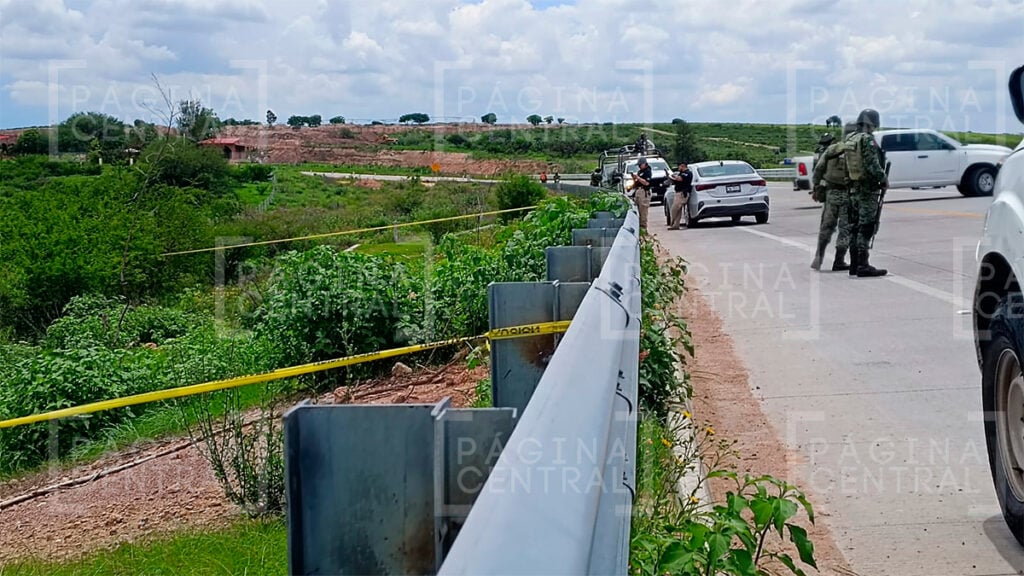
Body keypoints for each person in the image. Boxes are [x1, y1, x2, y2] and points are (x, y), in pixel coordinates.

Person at [844, 108, 888, 277]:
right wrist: (883, 178)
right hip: (867, 189)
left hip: (853, 189)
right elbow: (871, 164)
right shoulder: (867, 139)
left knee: (854, 227)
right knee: (866, 227)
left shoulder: (851, 138)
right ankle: (863, 265)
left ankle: (854, 263)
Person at [809, 123, 856, 271]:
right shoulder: (856, 150)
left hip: (831, 194)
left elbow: (817, 170)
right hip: (848, 194)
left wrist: (816, 187)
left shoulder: (831, 149)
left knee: (826, 227)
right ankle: (839, 260)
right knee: (845, 229)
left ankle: (819, 255)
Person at [668, 161, 693, 230]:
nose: (678, 168)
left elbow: (680, 179)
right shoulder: (681, 173)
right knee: (678, 210)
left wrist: (673, 176)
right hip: (678, 193)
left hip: (682, 193)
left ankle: (672, 222)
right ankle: (675, 225)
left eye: (679, 166)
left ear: (683, 166)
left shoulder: (687, 173)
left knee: (674, 209)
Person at [633, 157, 653, 230]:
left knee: (643, 211)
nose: (639, 166)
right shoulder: (640, 171)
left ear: (644, 164)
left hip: (644, 192)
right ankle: (639, 228)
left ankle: (643, 228)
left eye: (640, 165)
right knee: (637, 210)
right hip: (638, 191)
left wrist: (638, 178)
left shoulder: (647, 171)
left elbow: (647, 183)